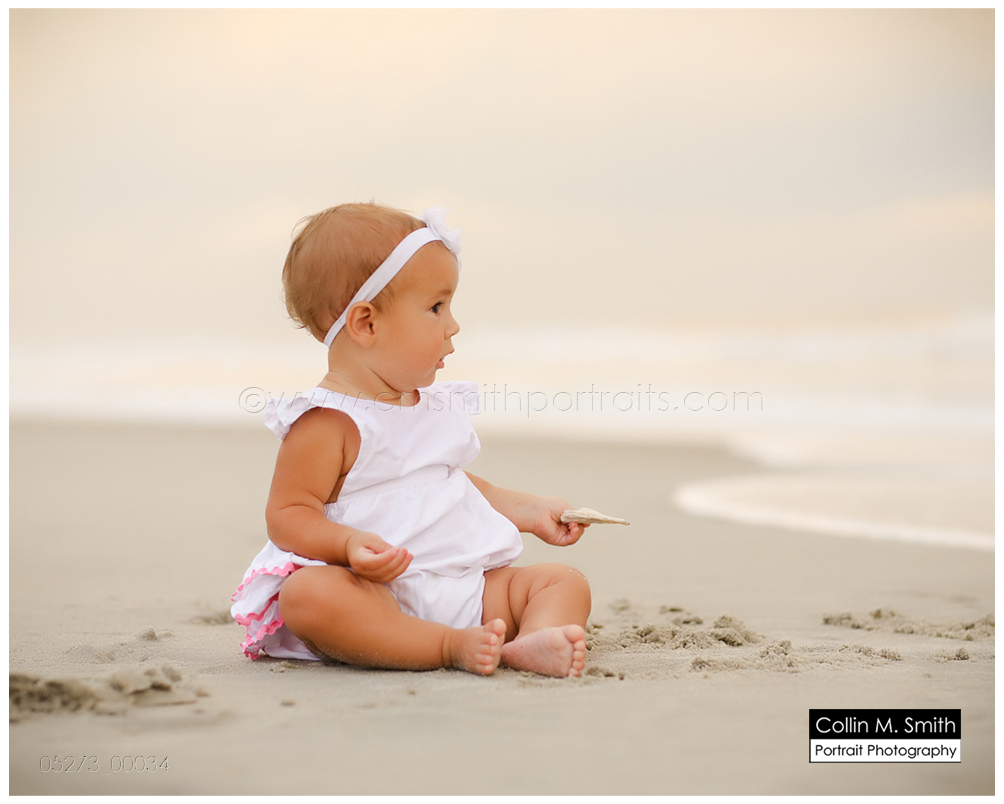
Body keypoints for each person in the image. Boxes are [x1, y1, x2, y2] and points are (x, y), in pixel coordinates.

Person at [231, 203, 591, 678]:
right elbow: (289, 515)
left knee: (561, 582)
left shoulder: (431, 407)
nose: (453, 324)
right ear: (366, 323)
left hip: (463, 584)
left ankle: (534, 640)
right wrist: (347, 544)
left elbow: (452, 485)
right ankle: (446, 645)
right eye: (436, 307)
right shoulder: (327, 422)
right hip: (375, 595)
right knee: (308, 597)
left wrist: (528, 509)